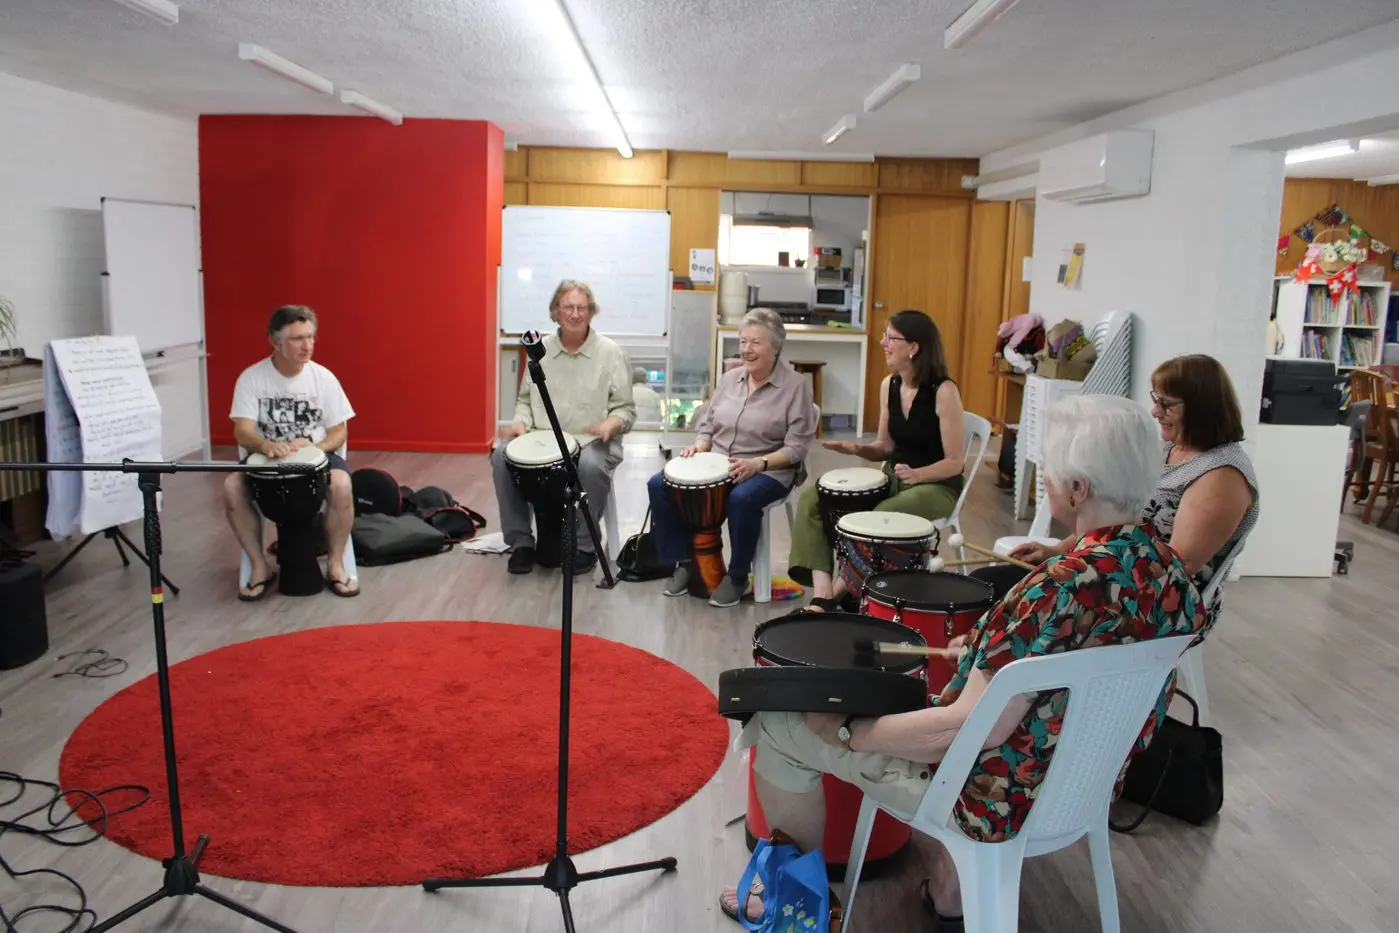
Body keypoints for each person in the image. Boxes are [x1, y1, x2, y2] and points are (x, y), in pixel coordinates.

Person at [720, 395, 1206, 931]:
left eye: (1050, 472)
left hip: (994, 801)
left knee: (779, 723)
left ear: (1078, 490)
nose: (1045, 480)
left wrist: (847, 733)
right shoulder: (1172, 576)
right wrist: (982, 647)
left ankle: (794, 905)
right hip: (1082, 788)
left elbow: (963, 729)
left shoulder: (1052, 593)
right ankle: (952, 891)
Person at [1012, 354, 1258, 626]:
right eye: (1156, 400)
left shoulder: (1222, 475)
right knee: (1011, 584)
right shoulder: (1169, 449)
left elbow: (1178, 566)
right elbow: (1113, 518)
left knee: (1038, 610)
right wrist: (1058, 550)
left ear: (1201, 408)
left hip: (1168, 603)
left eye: (1166, 405)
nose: (1155, 412)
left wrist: (1088, 571)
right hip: (1123, 573)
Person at [788, 309, 966, 611]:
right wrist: (857, 449)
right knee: (812, 498)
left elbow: (955, 462)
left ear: (913, 347)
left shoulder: (944, 391)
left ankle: (837, 592)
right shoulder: (890, 385)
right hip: (895, 479)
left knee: (879, 515)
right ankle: (824, 595)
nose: (883, 343)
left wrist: (919, 475)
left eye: (890, 337)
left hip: (938, 486)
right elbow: (884, 447)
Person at [647, 308, 816, 608]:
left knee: (742, 498)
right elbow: (708, 424)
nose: (746, 350)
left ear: (775, 348)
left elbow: (796, 449)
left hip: (769, 469)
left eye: (755, 343)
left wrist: (757, 464)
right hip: (719, 463)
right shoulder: (729, 379)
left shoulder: (796, 386)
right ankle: (684, 562)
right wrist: (700, 445)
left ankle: (738, 576)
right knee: (659, 484)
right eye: (743, 341)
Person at [494, 280, 635, 575]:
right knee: (500, 456)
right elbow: (524, 400)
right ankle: (520, 543)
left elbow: (626, 409)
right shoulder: (539, 350)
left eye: (581, 308)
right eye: (568, 307)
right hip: (542, 440)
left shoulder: (610, 353)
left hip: (590, 442)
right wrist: (520, 423)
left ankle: (584, 547)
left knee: (591, 465)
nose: (574, 314)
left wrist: (612, 422)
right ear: (556, 313)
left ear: (591, 312)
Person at [225, 305, 357, 600]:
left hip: (317, 459)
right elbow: (242, 431)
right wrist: (264, 445)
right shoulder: (251, 378)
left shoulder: (323, 378)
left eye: (310, 337)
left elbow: (339, 430)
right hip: (266, 459)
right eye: (297, 339)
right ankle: (260, 566)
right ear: (275, 342)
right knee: (233, 487)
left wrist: (316, 449)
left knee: (342, 485)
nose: (307, 346)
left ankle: (335, 564)